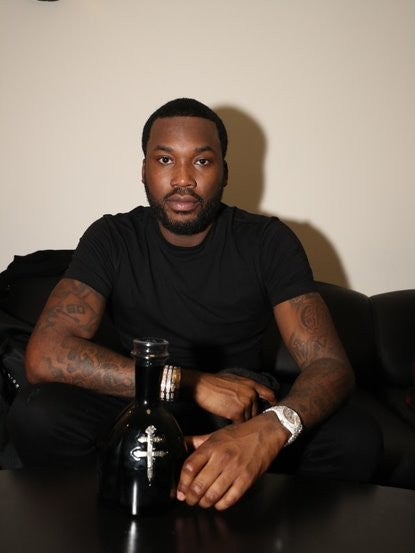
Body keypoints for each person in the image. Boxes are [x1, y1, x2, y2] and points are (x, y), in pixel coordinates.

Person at [8, 98, 382, 510]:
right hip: (141, 403)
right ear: (144, 170)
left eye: (202, 162)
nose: (183, 179)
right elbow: (45, 355)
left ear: (225, 172)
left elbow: (330, 365)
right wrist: (194, 383)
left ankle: (248, 526)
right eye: (165, 160)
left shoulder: (268, 241)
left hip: (238, 406)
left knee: (355, 437)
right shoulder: (111, 238)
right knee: (38, 414)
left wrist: (270, 429)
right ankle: (118, 518)